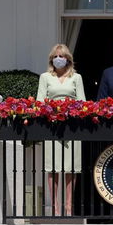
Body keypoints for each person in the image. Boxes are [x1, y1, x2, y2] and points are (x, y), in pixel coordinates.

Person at [36, 44, 84, 216]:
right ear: (51, 60)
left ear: (68, 59)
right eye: (55, 56)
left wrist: (72, 112)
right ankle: (55, 207)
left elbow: (82, 102)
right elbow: (40, 101)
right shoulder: (45, 77)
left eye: (62, 56)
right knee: (53, 167)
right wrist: (51, 112)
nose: (59, 59)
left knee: (71, 168)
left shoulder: (76, 77)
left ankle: (69, 206)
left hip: (71, 127)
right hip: (52, 126)